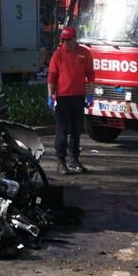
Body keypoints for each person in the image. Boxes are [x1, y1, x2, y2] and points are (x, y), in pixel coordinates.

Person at [47, 26, 94, 175]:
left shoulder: (84, 53)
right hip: (63, 98)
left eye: (67, 40)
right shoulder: (58, 55)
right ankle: (61, 162)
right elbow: (52, 77)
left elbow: (91, 75)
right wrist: (50, 96)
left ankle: (74, 160)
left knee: (76, 130)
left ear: (75, 39)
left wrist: (90, 94)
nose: (65, 42)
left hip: (78, 97)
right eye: (63, 40)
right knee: (62, 131)